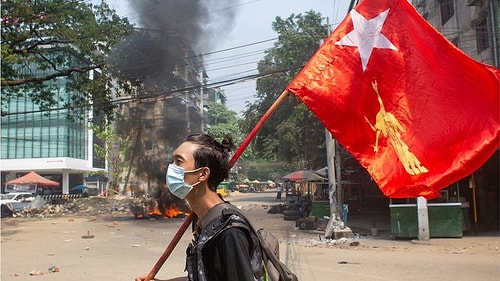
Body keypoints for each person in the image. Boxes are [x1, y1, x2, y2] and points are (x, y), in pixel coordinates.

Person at [136, 134, 264, 281]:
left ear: (203, 174)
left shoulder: (229, 231)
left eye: (179, 162)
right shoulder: (203, 220)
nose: (171, 168)